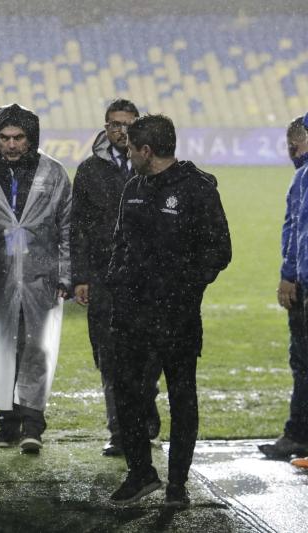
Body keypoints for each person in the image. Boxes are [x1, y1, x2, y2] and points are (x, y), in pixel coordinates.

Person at [106, 114, 231, 507]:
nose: (127, 155)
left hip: (177, 315)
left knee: (182, 396)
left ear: (147, 150)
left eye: (130, 149)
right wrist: (117, 281)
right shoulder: (134, 188)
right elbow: (121, 244)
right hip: (132, 314)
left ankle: (177, 485)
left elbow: (219, 251)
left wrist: (184, 287)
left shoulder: (197, 189)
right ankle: (141, 473)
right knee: (127, 393)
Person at [0, 103, 70, 454]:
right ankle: (7, 422)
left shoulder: (53, 173)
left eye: (19, 137)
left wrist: (67, 274)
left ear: (31, 138)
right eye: (4, 138)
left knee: (36, 348)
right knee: (0, 348)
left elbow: (67, 227)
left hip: (41, 277)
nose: (11, 145)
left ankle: (32, 424)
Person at [71, 99, 161, 457]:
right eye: (114, 124)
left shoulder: (155, 168)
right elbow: (76, 227)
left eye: (127, 124)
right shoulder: (90, 170)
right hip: (105, 278)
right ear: (104, 127)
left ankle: (146, 407)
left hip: (147, 280)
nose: (120, 131)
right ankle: (120, 431)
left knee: (149, 354)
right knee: (109, 358)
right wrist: (80, 276)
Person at [262, 114, 308, 460]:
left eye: (295, 145)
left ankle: (298, 434)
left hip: (305, 282)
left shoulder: (304, 177)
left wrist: (289, 274)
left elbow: (296, 232)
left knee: (303, 361)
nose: (292, 152)